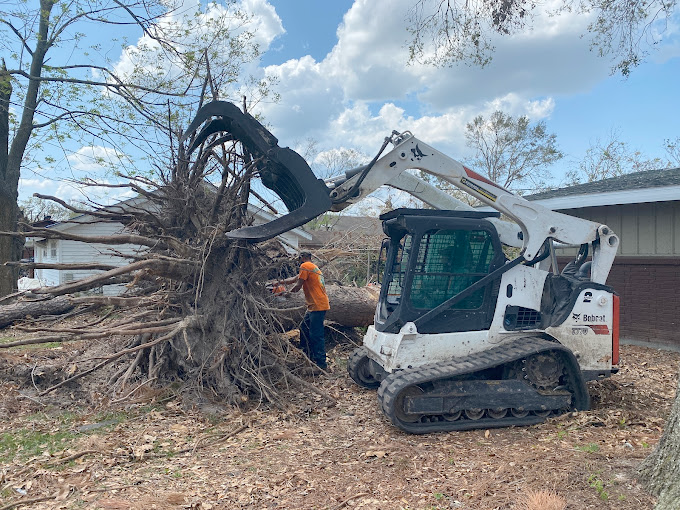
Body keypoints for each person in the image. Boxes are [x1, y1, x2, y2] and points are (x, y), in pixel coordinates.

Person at [279, 252, 330, 370]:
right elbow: (294, 279)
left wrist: (287, 294)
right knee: (304, 328)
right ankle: (307, 355)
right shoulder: (312, 267)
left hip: (317, 305)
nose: (299, 261)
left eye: (300, 259)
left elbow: (298, 285)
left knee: (316, 335)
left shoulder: (305, 266)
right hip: (315, 305)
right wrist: (279, 282)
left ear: (303, 257)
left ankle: (321, 363)